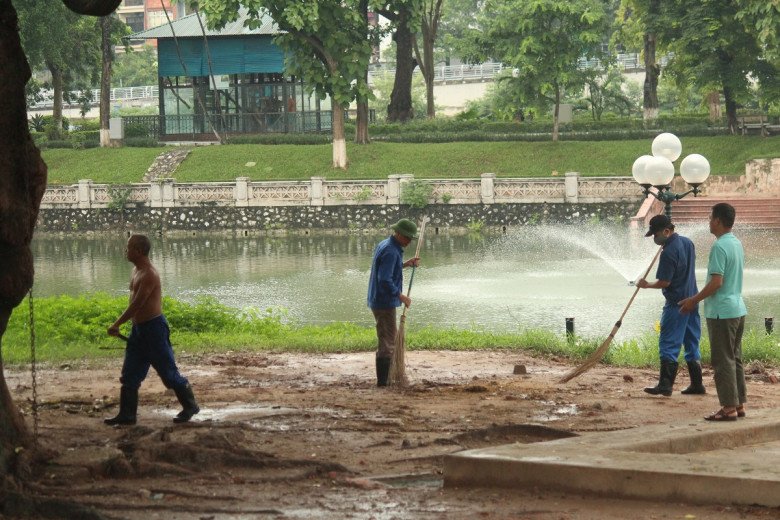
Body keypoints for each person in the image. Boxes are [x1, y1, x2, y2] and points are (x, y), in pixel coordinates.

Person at [105, 234, 200, 425]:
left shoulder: (150, 274)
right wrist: (128, 324)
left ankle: (190, 406)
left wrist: (117, 324)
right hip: (138, 330)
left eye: (128, 247)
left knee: (168, 374)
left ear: (138, 251)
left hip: (154, 329)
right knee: (129, 374)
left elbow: (137, 305)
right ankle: (127, 415)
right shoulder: (136, 271)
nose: (125, 251)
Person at [679, 203, 747, 421]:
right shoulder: (736, 243)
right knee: (735, 358)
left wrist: (693, 300)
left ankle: (728, 408)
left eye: (710, 218)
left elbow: (717, 282)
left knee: (722, 360)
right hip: (737, 308)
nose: (708, 221)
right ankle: (739, 404)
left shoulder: (719, 247)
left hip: (722, 312)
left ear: (718, 220)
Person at [636, 214, 703, 396]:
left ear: (667, 231)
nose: (654, 239)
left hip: (676, 305)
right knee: (692, 343)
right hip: (692, 301)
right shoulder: (687, 243)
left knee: (668, 343)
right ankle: (697, 384)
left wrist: (646, 284)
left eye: (656, 235)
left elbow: (665, 282)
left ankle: (665, 385)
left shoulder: (668, 252)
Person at [367, 219, 420, 386]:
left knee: (388, 338)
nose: (409, 241)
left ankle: (387, 379)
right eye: (407, 238)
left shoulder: (388, 245)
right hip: (384, 302)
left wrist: (405, 264)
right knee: (388, 342)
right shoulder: (391, 250)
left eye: (411, 238)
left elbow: (388, 269)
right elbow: (384, 279)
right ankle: (383, 383)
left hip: (381, 299)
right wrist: (400, 296)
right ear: (398, 234)